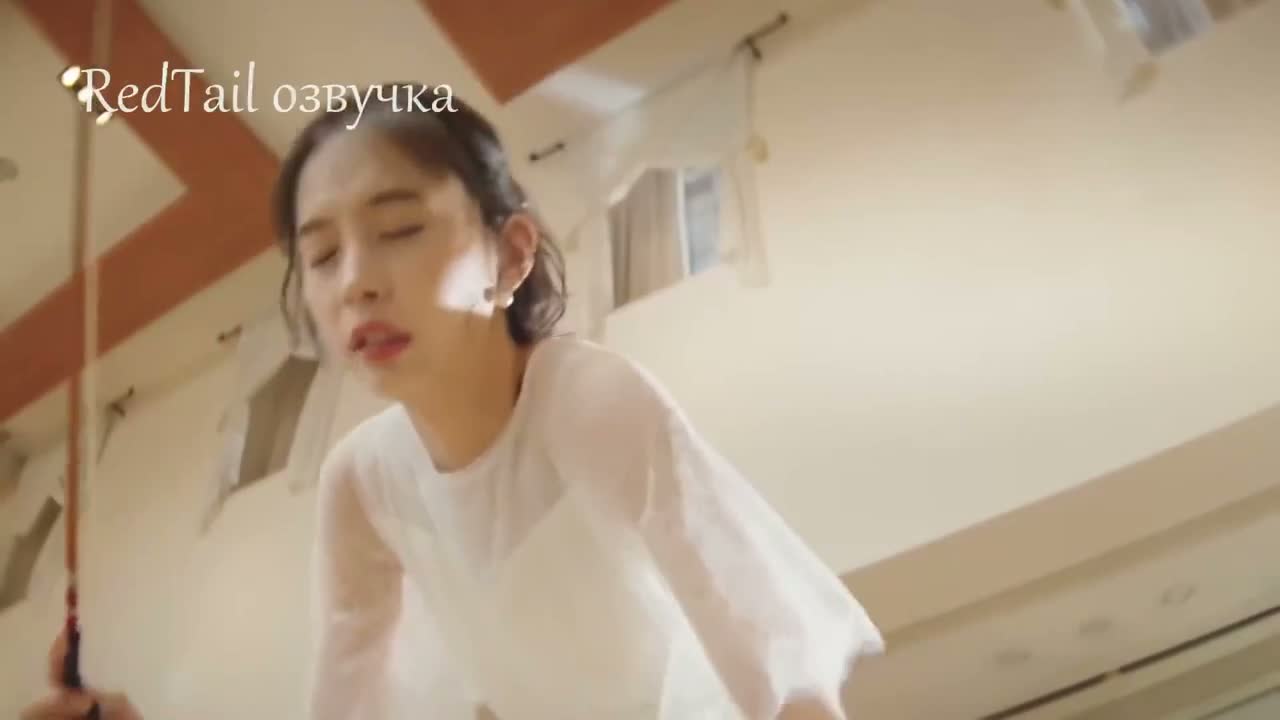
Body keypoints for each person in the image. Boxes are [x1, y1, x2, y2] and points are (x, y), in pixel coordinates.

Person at [23, 83, 883, 720]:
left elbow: (772, 658)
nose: (355, 283)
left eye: (399, 228)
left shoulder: (588, 401)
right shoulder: (360, 481)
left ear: (509, 256)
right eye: (321, 257)